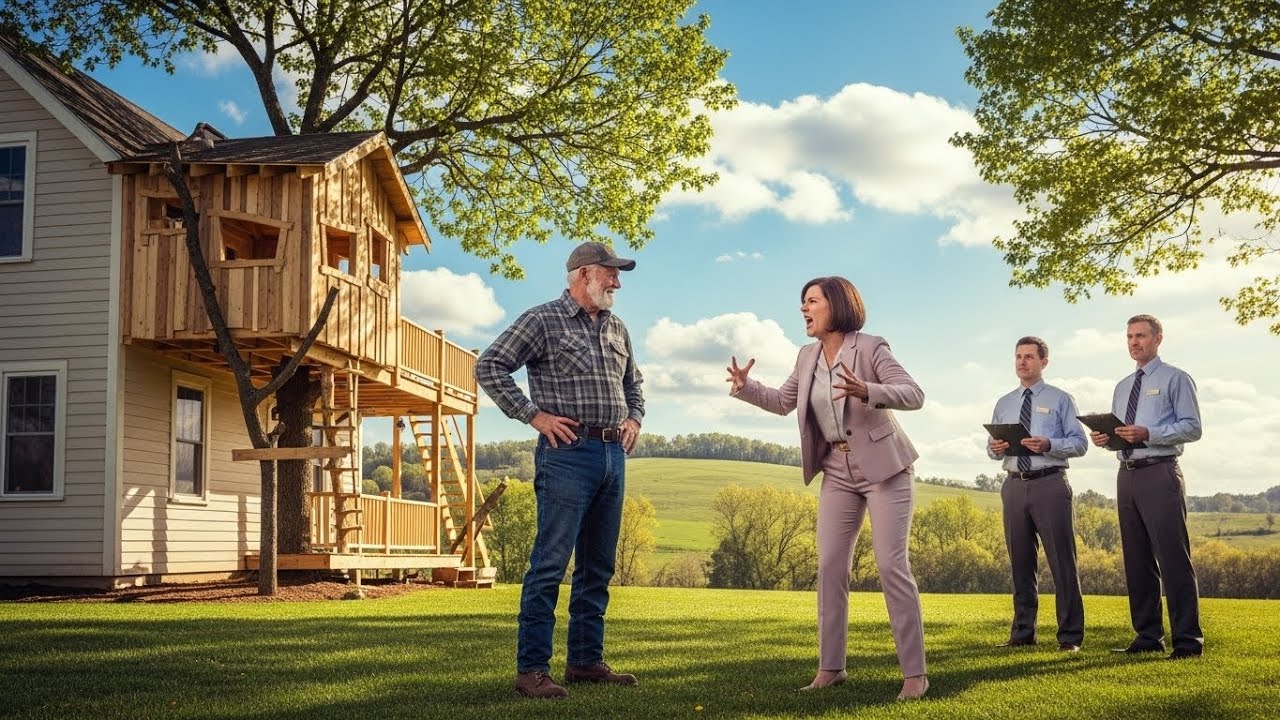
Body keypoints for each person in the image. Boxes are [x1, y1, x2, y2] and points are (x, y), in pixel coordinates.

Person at [726, 275, 928, 701]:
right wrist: (746, 388)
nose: (804, 308)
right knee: (831, 567)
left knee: (892, 567)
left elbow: (914, 394)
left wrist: (868, 390)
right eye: (803, 302)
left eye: (812, 301)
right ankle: (831, 667)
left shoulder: (870, 347)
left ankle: (914, 674)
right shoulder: (806, 356)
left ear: (836, 305)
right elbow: (784, 402)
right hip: (837, 471)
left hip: (885, 470)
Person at [474, 241, 645, 698]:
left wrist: (634, 419)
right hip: (566, 454)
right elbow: (490, 366)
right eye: (611, 273)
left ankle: (586, 662)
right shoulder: (542, 319)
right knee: (550, 565)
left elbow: (635, 384)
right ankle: (531, 670)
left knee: (598, 567)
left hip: (613, 456)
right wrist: (534, 416)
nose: (618, 282)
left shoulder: (617, 328)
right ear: (584, 274)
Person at [1089, 314, 1204, 660]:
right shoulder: (1122, 386)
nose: (1134, 342)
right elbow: (1123, 435)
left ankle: (1187, 640)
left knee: (1172, 558)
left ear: (1158, 339)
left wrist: (1149, 433)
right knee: (1136, 558)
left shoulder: (1176, 379)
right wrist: (1105, 438)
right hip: (1127, 474)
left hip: (1160, 473)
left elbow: (1192, 427)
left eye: (1140, 336)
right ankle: (1148, 635)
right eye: (1129, 337)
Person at [986, 336, 1088, 652]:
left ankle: (1070, 637)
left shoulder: (1060, 399)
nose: (1022, 362)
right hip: (1014, 484)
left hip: (1050, 483)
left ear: (1044, 362)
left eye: (1029, 356)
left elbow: (1080, 443)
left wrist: (1049, 444)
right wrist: (994, 447)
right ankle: (1022, 633)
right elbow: (992, 451)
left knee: (1062, 562)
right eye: (1018, 356)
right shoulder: (1004, 403)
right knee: (1020, 563)